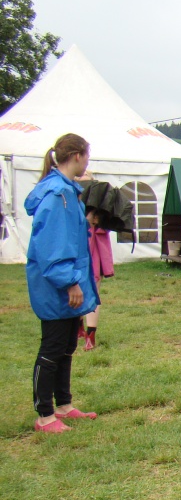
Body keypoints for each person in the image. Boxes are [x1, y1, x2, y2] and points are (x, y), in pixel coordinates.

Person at [25, 134, 100, 433]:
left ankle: (64, 405)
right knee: (53, 347)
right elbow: (53, 245)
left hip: (70, 282)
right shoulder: (58, 195)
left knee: (67, 345)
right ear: (78, 156)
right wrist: (69, 283)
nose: (88, 162)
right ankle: (44, 415)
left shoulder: (69, 191)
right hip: (58, 286)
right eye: (87, 156)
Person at [77, 170, 114, 351]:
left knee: (93, 292)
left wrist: (96, 220)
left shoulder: (99, 206)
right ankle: (78, 328)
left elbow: (107, 226)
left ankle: (90, 335)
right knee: (75, 289)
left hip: (94, 252)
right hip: (76, 250)